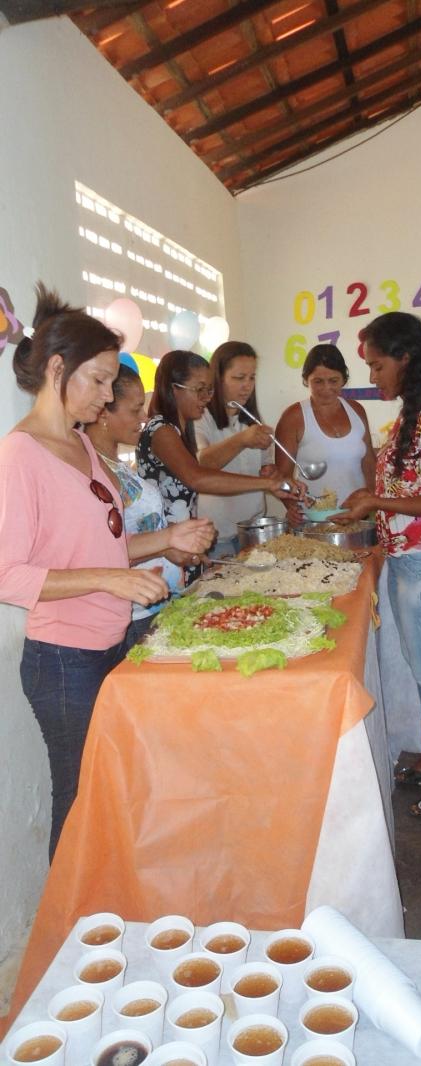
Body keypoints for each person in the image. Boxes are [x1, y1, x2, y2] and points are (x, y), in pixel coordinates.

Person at [0, 285, 214, 859]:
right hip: (63, 661)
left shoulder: (80, 447)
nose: (105, 395)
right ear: (56, 369)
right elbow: (7, 575)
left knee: (114, 795)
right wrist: (106, 579)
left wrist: (168, 540)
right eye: (97, 380)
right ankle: (71, 939)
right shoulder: (21, 455)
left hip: (110, 641)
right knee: (78, 802)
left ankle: (106, 917)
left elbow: (102, 545)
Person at [335, 312, 421, 817]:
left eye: (376, 366)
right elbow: (406, 488)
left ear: (405, 357)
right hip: (407, 560)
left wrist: (377, 503)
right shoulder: (414, 413)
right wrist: (372, 496)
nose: (372, 377)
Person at [87, 363, 214, 647]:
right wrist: (167, 544)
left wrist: (175, 547)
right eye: (134, 410)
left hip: (158, 603)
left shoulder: (117, 465)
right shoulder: (94, 471)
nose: (143, 417)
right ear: (104, 411)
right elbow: (103, 551)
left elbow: (138, 530)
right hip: (134, 613)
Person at [136, 350, 302, 556]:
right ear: (174, 389)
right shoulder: (161, 429)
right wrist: (268, 484)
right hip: (163, 549)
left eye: (209, 390)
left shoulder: (180, 429)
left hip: (183, 545)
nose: (206, 398)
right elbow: (197, 477)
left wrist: (274, 480)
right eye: (199, 390)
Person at [274, 344, 376, 523]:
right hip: (314, 519)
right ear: (307, 380)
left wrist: (374, 498)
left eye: (334, 381)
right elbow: (282, 476)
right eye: (318, 381)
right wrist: (291, 507)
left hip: (357, 517)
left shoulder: (357, 410)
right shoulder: (294, 416)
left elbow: (369, 462)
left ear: (344, 379)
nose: (326, 388)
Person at [194, 341, 276, 557]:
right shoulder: (201, 417)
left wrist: (271, 472)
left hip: (254, 531)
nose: (247, 385)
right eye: (239, 378)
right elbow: (201, 465)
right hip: (216, 537)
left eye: (252, 377)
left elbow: (266, 467)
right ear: (218, 379)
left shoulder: (251, 420)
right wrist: (242, 440)